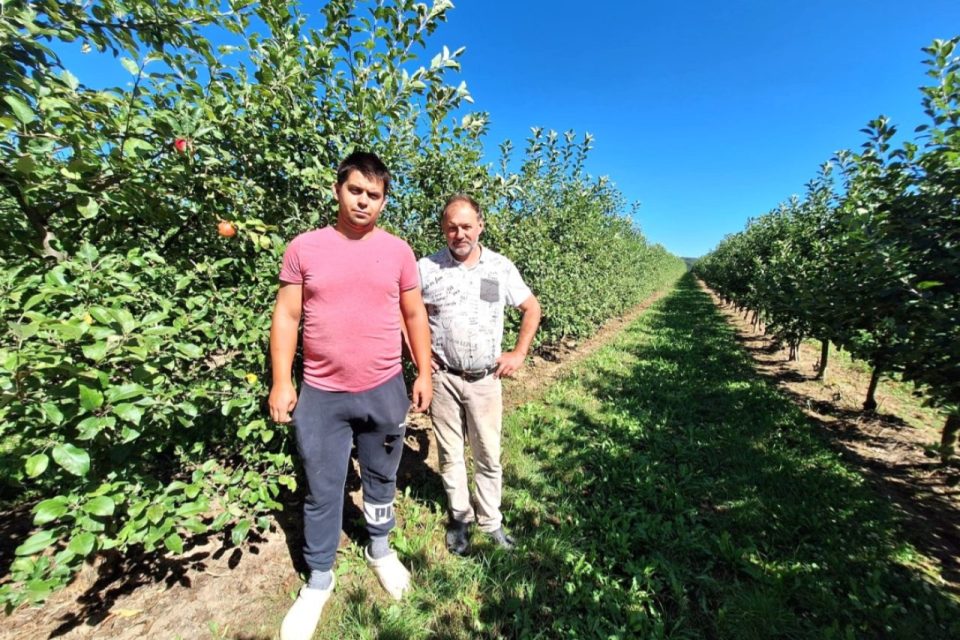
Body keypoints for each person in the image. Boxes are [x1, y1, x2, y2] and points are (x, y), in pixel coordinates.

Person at [269, 152, 433, 640]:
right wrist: (282, 380)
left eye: (374, 195)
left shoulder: (399, 253)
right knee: (322, 487)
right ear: (338, 189)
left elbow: (414, 316)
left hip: (384, 389)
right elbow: (287, 317)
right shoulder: (305, 248)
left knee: (382, 477)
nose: (364, 201)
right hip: (322, 393)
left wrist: (422, 372)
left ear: (384, 202)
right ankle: (319, 578)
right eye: (356, 190)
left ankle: (380, 548)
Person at [418, 194, 541, 555]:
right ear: (443, 229)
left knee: (487, 454)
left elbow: (531, 308)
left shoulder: (500, 268)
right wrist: (422, 357)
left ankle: (491, 521)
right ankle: (460, 518)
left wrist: (519, 353)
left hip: (486, 379)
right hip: (444, 379)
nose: (460, 234)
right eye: (452, 227)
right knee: (451, 453)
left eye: (467, 226)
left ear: (480, 226)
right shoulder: (426, 268)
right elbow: (407, 313)